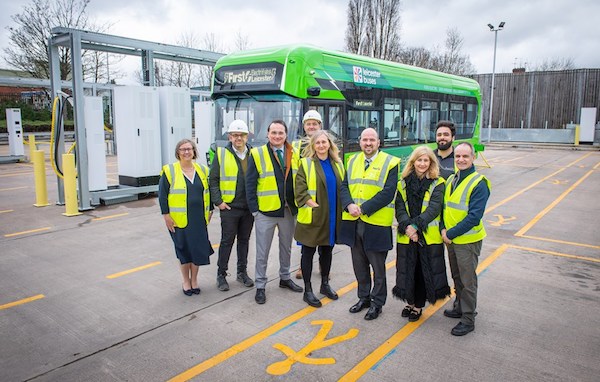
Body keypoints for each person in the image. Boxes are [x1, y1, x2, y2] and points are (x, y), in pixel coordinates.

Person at [340, 128, 400, 320]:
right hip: (353, 222)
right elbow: (344, 186)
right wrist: (349, 204)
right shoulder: (351, 160)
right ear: (360, 142)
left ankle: (377, 303)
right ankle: (363, 298)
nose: (368, 143)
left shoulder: (390, 162)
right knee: (359, 265)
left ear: (378, 142)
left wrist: (363, 208)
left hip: (376, 224)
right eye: (365, 140)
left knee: (378, 268)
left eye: (371, 140)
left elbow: (388, 192)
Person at [246, 119, 303, 305]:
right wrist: (255, 210)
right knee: (262, 251)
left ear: (286, 134)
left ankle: (284, 278)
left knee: (286, 247)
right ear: (268, 134)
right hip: (266, 211)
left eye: (281, 133)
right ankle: (260, 285)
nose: (277, 136)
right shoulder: (257, 153)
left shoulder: (293, 152)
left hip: (288, 209)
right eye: (274, 133)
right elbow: (250, 183)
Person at [393, 146, 450, 322]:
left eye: (426, 160)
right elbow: (399, 207)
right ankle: (409, 302)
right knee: (406, 269)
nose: (422, 164)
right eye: (419, 160)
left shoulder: (438, 182)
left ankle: (418, 306)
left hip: (427, 236)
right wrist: (408, 228)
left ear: (431, 163)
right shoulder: (402, 183)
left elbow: (434, 209)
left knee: (421, 271)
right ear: (413, 162)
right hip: (407, 234)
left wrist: (415, 227)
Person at [441, 142, 491, 336]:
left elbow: (474, 216)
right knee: (457, 277)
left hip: (467, 241)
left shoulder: (479, 183)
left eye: (465, 156)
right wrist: (445, 229)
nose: (461, 160)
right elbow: (447, 208)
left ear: (473, 158)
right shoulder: (452, 179)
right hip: (452, 239)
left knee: (468, 280)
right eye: (458, 157)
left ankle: (468, 319)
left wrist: (449, 234)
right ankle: (460, 306)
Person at [294, 130, 344, 307]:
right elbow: (300, 191)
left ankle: (324, 284)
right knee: (308, 254)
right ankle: (308, 290)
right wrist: (313, 205)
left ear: (330, 144)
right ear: (313, 146)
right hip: (313, 218)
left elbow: (343, 188)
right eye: (318, 143)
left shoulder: (338, 164)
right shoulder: (306, 164)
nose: (322, 146)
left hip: (331, 217)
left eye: (324, 142)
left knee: (327, 252)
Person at [158, 139, 213, 296]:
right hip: (178, 219)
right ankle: (186, 281)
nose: (186, 152)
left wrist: (210, 211)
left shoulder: (203, 170)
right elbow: (162, 196)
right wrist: (166, 216)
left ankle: (194, 280)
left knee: (196, 251)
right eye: (183, 149)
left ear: (194, 151)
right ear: (178, 152)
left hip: (199, 219)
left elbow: (208, 191)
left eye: (189, 149)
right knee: (183, 251)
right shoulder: (169, 171)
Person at [209, 120, 254, 292]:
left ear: (247, 136)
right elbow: (213, 179)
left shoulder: (254, 153)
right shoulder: (221, 154)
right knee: (227, 241)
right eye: (235, 135)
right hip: (229, 207)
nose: (238, 138)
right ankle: (221, 275)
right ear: (230, 136)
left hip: (248, 208)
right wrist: (218, 201)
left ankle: (242, 273)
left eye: (241, 135)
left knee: (244, 241)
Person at [293, 109, 323, 280]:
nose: (311, 126)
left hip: (323, 196)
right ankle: (302, 267)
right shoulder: (297, 146)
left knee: (323, 232)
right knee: (305, 235)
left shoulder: (325, 142)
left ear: (320, 125)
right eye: (308, 124)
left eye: (314, 124)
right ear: (304, 126)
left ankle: (322, 264)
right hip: (305, 197)